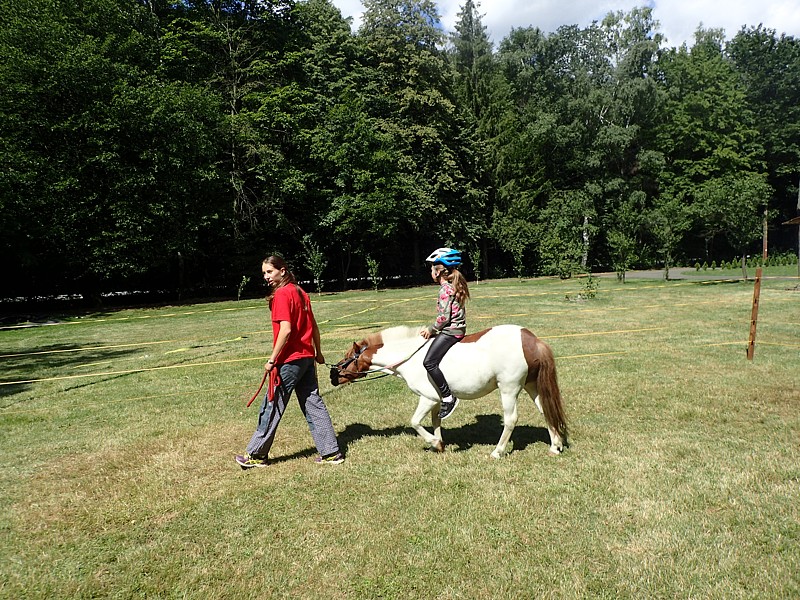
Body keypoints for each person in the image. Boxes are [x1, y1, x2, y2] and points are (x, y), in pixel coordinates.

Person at [235, 255, 343, 469]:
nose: (266, 277)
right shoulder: (301, 292)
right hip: (306, 358)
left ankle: (256, 454)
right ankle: (331, 452)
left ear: (282, 271)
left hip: (289, 361)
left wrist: (272, 359)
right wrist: (318, 353)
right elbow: (314, 326)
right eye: (264, 273)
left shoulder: (283, 294)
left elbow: (286, 330)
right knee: (313, 404)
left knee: (272, 405)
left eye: (270, 272)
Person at [419, 247, 470, 420]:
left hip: (451, 331)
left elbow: (443, 318)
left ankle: (448, 397)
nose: (430, 270)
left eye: (432, 267)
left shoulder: (445, 290)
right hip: (457, 329)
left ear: (439, 271)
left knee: (429, 362)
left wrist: (430, 329)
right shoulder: (452, 286)